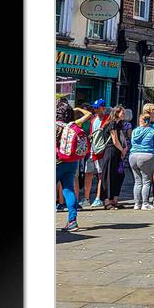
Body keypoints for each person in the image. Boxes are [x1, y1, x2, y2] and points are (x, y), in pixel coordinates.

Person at [56, 98, 92, 231]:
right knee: (69, 190)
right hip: (71, 162)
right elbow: (88, 115)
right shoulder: (73, 125)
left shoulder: (54, 126)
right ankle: (72, 221)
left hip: (57, 161)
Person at [129, 113, 154, 210]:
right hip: (147, 156)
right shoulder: (152, 132)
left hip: (133, 156)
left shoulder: (134, 131)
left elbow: (132, 143)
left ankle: (137, 204)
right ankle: (145, 203)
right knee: (146, 181)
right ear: (148, 121)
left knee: (137, 182)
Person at [101, 105, 128, 209]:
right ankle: (107, 201)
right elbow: (114, 140)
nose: (124, 115)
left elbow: (122, 138)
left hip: (118, 152)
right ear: (117, 113)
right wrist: (122, 149)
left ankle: (114, 199)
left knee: (119, 175)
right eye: (122, 113)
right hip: (111, 151)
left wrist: (124, 148)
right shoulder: (111, 124)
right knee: (108, 175)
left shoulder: (118, 124)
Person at [86, 99, 110, 207]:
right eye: (94, 107)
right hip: (93, 150)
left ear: (103, 108)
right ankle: (86, 198)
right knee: (89, 173)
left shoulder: (107, 119)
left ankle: (98, 197)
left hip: (101, 150)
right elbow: (92, 134)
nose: (95, 109)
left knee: (100, 174)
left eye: (97, 107)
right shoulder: (94, 119)